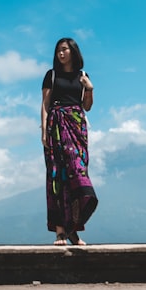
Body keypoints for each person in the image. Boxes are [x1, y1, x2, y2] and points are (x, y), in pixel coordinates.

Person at [40, 37, 98, 245]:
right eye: (58, 51)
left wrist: (89, 88)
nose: (61, 53)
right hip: (56, 126)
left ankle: (74, 229)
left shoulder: (83, 76)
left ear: (73, 51)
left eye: (64, 49)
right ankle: (60, 232)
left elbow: (87, 106)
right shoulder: (51, 75)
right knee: (58, 176)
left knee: (78, 174)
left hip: (77, 128)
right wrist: (44, 132)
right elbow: (45, 105)